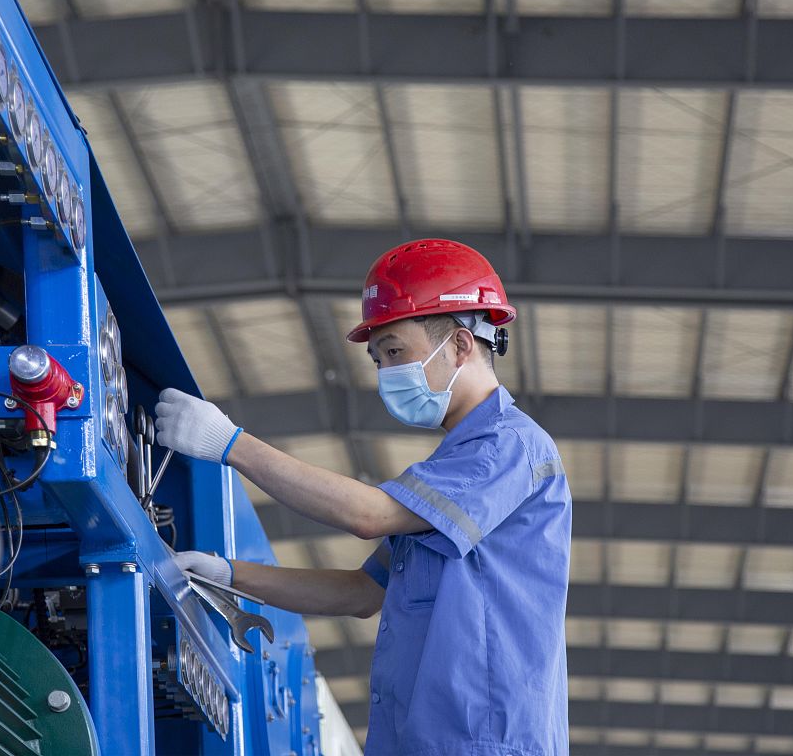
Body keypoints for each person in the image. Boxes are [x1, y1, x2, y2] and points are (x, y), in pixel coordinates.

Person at [157, 238, 571, 756]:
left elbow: (368, 514)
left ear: (462, 345)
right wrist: (228, 575)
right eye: (377, 360)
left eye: (395, 352)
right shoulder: (450, 474)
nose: (385, 374)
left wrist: (230, 446)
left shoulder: (506, 447)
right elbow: (358, 593)